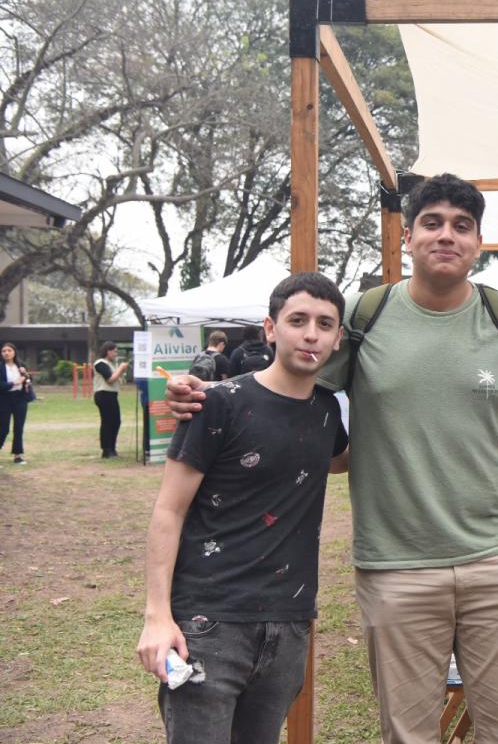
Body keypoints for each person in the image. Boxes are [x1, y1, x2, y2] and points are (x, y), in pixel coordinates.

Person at [166, 173, 498, 744]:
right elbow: (287, 382)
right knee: (407, 734)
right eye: (432, 223)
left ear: (478, 242)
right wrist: (208, 394)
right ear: (408, 236)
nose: (446, 235)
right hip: (396, 566)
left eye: (462, 226)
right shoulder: (362, 317)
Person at [136, 272, 350, 744]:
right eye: (297, 320)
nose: (310, 334)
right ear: (271, 328)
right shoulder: (216, 404)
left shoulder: (327, 411)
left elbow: (339, 460)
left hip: (289, 622)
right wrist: (157, 616)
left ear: (338, 339)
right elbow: (168, 511)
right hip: (209, 623)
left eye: (324, 324)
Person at [94, 341, 129, 458]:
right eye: (114, 351)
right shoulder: (100, 363)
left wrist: (122, 371)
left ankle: (112, 448)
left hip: (112, 395)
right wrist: (121, 368)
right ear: (107, 351)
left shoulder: (111, 364)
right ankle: (107, 450)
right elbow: (110, 379)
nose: (116, 354)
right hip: (103, 394)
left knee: (115, 421)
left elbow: (118, 380)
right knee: (107, 422)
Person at [0, 342, 32, 465]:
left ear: (14, 352)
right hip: (4, 399)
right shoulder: (1, 367)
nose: (6, 353)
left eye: (9, 350)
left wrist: (26, 375)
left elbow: (29, 381)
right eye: (4, 351)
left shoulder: (21, 366)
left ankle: (18, 456)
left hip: (20, 399)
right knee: (3, 429)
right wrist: (15, 382)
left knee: (18, 428)